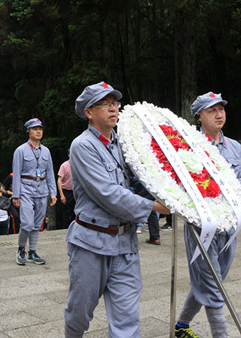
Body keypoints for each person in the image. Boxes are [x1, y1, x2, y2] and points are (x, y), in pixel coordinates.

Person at [63, 81, 170, 338]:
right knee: (80, 313)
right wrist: (156, 207)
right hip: (92, 243)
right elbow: (108, 193)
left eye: (115, 103)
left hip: (125, 244)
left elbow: (136, 179)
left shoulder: (121, 143)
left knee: (127, 318)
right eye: (105, 104)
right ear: (89, 112)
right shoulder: (83, 146)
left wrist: (169, 191)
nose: (113, 109)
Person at [175, 92, 241, 338]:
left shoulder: (235, 147)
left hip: (229, 226)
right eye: (211, 110)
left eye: (221, 109)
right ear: (199, 116)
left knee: (211, 280)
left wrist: (232, 199)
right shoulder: (190, 145)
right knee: (212, 282)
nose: (219, 114)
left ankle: (181, 325)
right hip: (202, 227)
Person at [12, 118, 57, 266]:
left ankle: (32, 251)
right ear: (28, 131)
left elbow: (50, 172)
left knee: (37, 224)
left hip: (42, 189)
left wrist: (53, 192)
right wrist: (16, 195)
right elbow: (16, 174)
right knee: (27, 223)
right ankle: (21, 249)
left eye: (40, 129)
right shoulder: (20, 150)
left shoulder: (46, 151)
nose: (38, 131)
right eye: (35, 129)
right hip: (26, 189)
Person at [57, 149, 75, 229]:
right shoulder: (64, 165)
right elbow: (59, 180)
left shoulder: (78, 165)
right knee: (66, 212)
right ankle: (65, 229)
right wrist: (61, 195)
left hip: (76, 191)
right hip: (66, 191)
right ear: (69, 155)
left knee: (76, 211)